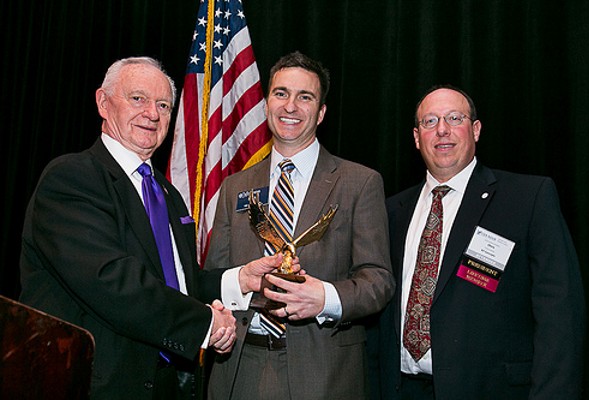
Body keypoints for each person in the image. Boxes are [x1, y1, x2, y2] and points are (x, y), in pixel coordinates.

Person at [19, 56, 291, 400]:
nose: (152, 113)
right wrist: (204, 324)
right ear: (103, 103)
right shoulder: (72, 178)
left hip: (167, 385)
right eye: (138, 99)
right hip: (93, 385)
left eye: (163, 104)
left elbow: (177, 280)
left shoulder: (167, 193)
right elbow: (113, 281)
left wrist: (238, 280)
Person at [368, 85, 585, 399]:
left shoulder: (527, 198)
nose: (442, 130)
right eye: (430, 122)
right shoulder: (391, 211)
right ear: (417, 138)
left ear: (476, 129)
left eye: (454, 118)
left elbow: (560, 315)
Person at [203, 51, 396, 400]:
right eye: (281, 93)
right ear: (265, 104)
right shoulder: (235, 186)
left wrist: (325, 299)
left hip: (324, 373)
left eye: (304, 97)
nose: (290, 106)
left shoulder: (359, 182)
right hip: (238, 369)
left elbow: (378, 281)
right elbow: (215, 274)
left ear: (320, 113)